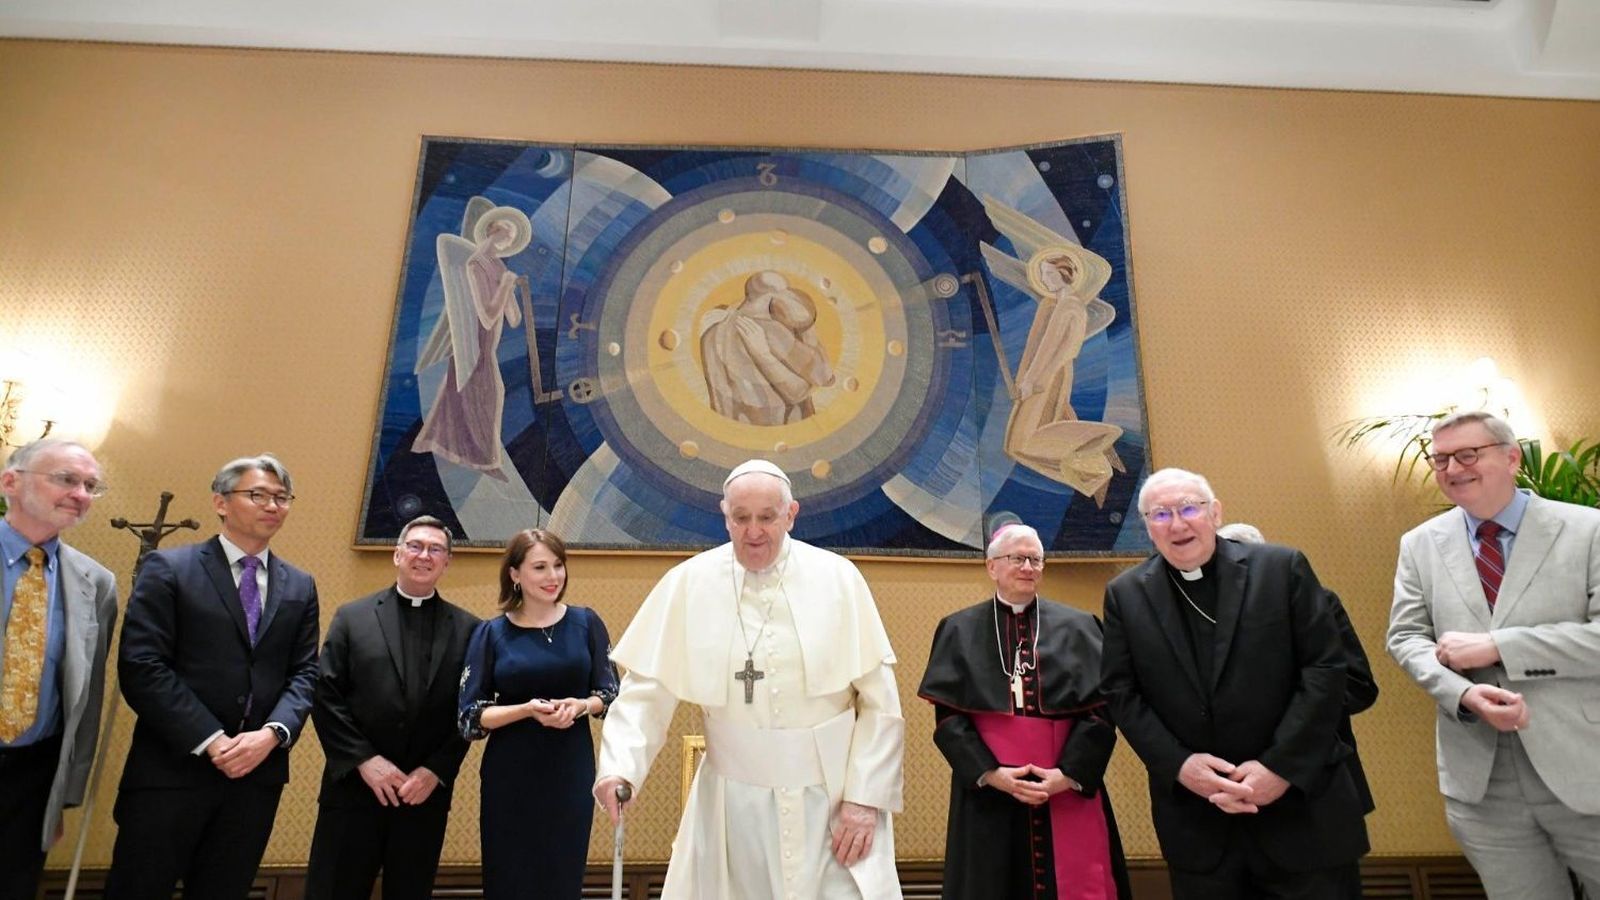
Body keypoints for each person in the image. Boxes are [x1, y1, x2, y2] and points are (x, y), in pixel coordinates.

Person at [594, 459, 905, 899]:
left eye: (766, 518)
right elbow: (645, 692)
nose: (753, 531)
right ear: (725, 515)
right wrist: (619, 768)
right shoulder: (690, 583)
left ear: (791, 514)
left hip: (832, 801)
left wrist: (864, 798)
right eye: (740, 518)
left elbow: (880, 703)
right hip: (731, 806)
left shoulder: (838, 579)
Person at [1101, 468, 1367, 899]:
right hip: (1199, 825)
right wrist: (1181, 766)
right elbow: (1121, 693)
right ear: (1147, 527)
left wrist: (1280, 767)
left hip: (1302, 814)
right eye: (1161, 514)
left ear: (1216, 513)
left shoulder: (1282, 569)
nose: (1178, 523)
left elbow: (1325, 670)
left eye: (1190, 508)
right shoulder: (1125, 594)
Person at [1387, 410, 1600, 897]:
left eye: (1468, 454)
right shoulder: (1420, 544)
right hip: (1483, 781)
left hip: (1586, 764)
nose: (1452, 468)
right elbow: (1406, 637)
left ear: (1511, 457)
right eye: (1439, 459)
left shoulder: (1588, 529)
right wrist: (1463, 694)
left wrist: (1500, 647)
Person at [105, 454, 320, 900]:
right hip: (172, 770)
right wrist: (213, 739)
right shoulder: (169, 569)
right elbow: (143, 666)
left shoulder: (299, 585)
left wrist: (272, 734)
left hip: (255, 777)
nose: (272, 506)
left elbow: (305, 672)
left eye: (282, 498)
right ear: (220, 502)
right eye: (257, 494)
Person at [918, 523, 1129, 900]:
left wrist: (1066, 776)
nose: (1028, 567)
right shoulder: (958, 629)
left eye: (1036, 559)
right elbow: (949, 720)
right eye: (1017, 558)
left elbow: (1101, 713)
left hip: (1064, 785)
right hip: (991, 791)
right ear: (992, 567)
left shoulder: (1080, 626)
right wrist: (992, 774)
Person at [304, 515, 479, 900]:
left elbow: (469, 710)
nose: (424, 555)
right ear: (397, 554)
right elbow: (326, 694)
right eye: (415, 546)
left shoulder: (470, 629)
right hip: (354, 790)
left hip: (423, 795)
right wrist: (365, 761)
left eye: (436, 549)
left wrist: (436, 770)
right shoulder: (352, 617)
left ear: (446, 562)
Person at [457, 528, 618, 899]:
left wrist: (580, 706)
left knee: (562, 875)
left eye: (558, 565)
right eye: (540, 567)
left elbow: (611, 694)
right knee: (509, 876)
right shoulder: (491, 632)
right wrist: (526, 710)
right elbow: (469, 716)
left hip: (569, 770)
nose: (553, 577)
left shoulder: (586, 622)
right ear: (515, 574)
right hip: (510, 774)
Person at [0, 439, 118, 900]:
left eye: (91, 485)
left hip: (33, 776)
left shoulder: (97, 583)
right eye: (67, 479)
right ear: (11, 482)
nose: (81, 494)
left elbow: (86, 696)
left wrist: (65, 793)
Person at [1216, 521, 1379, 815]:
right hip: (1230, 788)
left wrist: (1294, 713)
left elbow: (1359, 686)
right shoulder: (1199, 616)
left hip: (1318, 781)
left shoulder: (1319, 601)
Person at [700, 270, 836, 426]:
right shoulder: (772, 330)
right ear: (773, 298)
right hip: (781, 432)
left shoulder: (711, 333)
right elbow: (822, 379)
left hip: (737, 433)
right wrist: (806, 327)